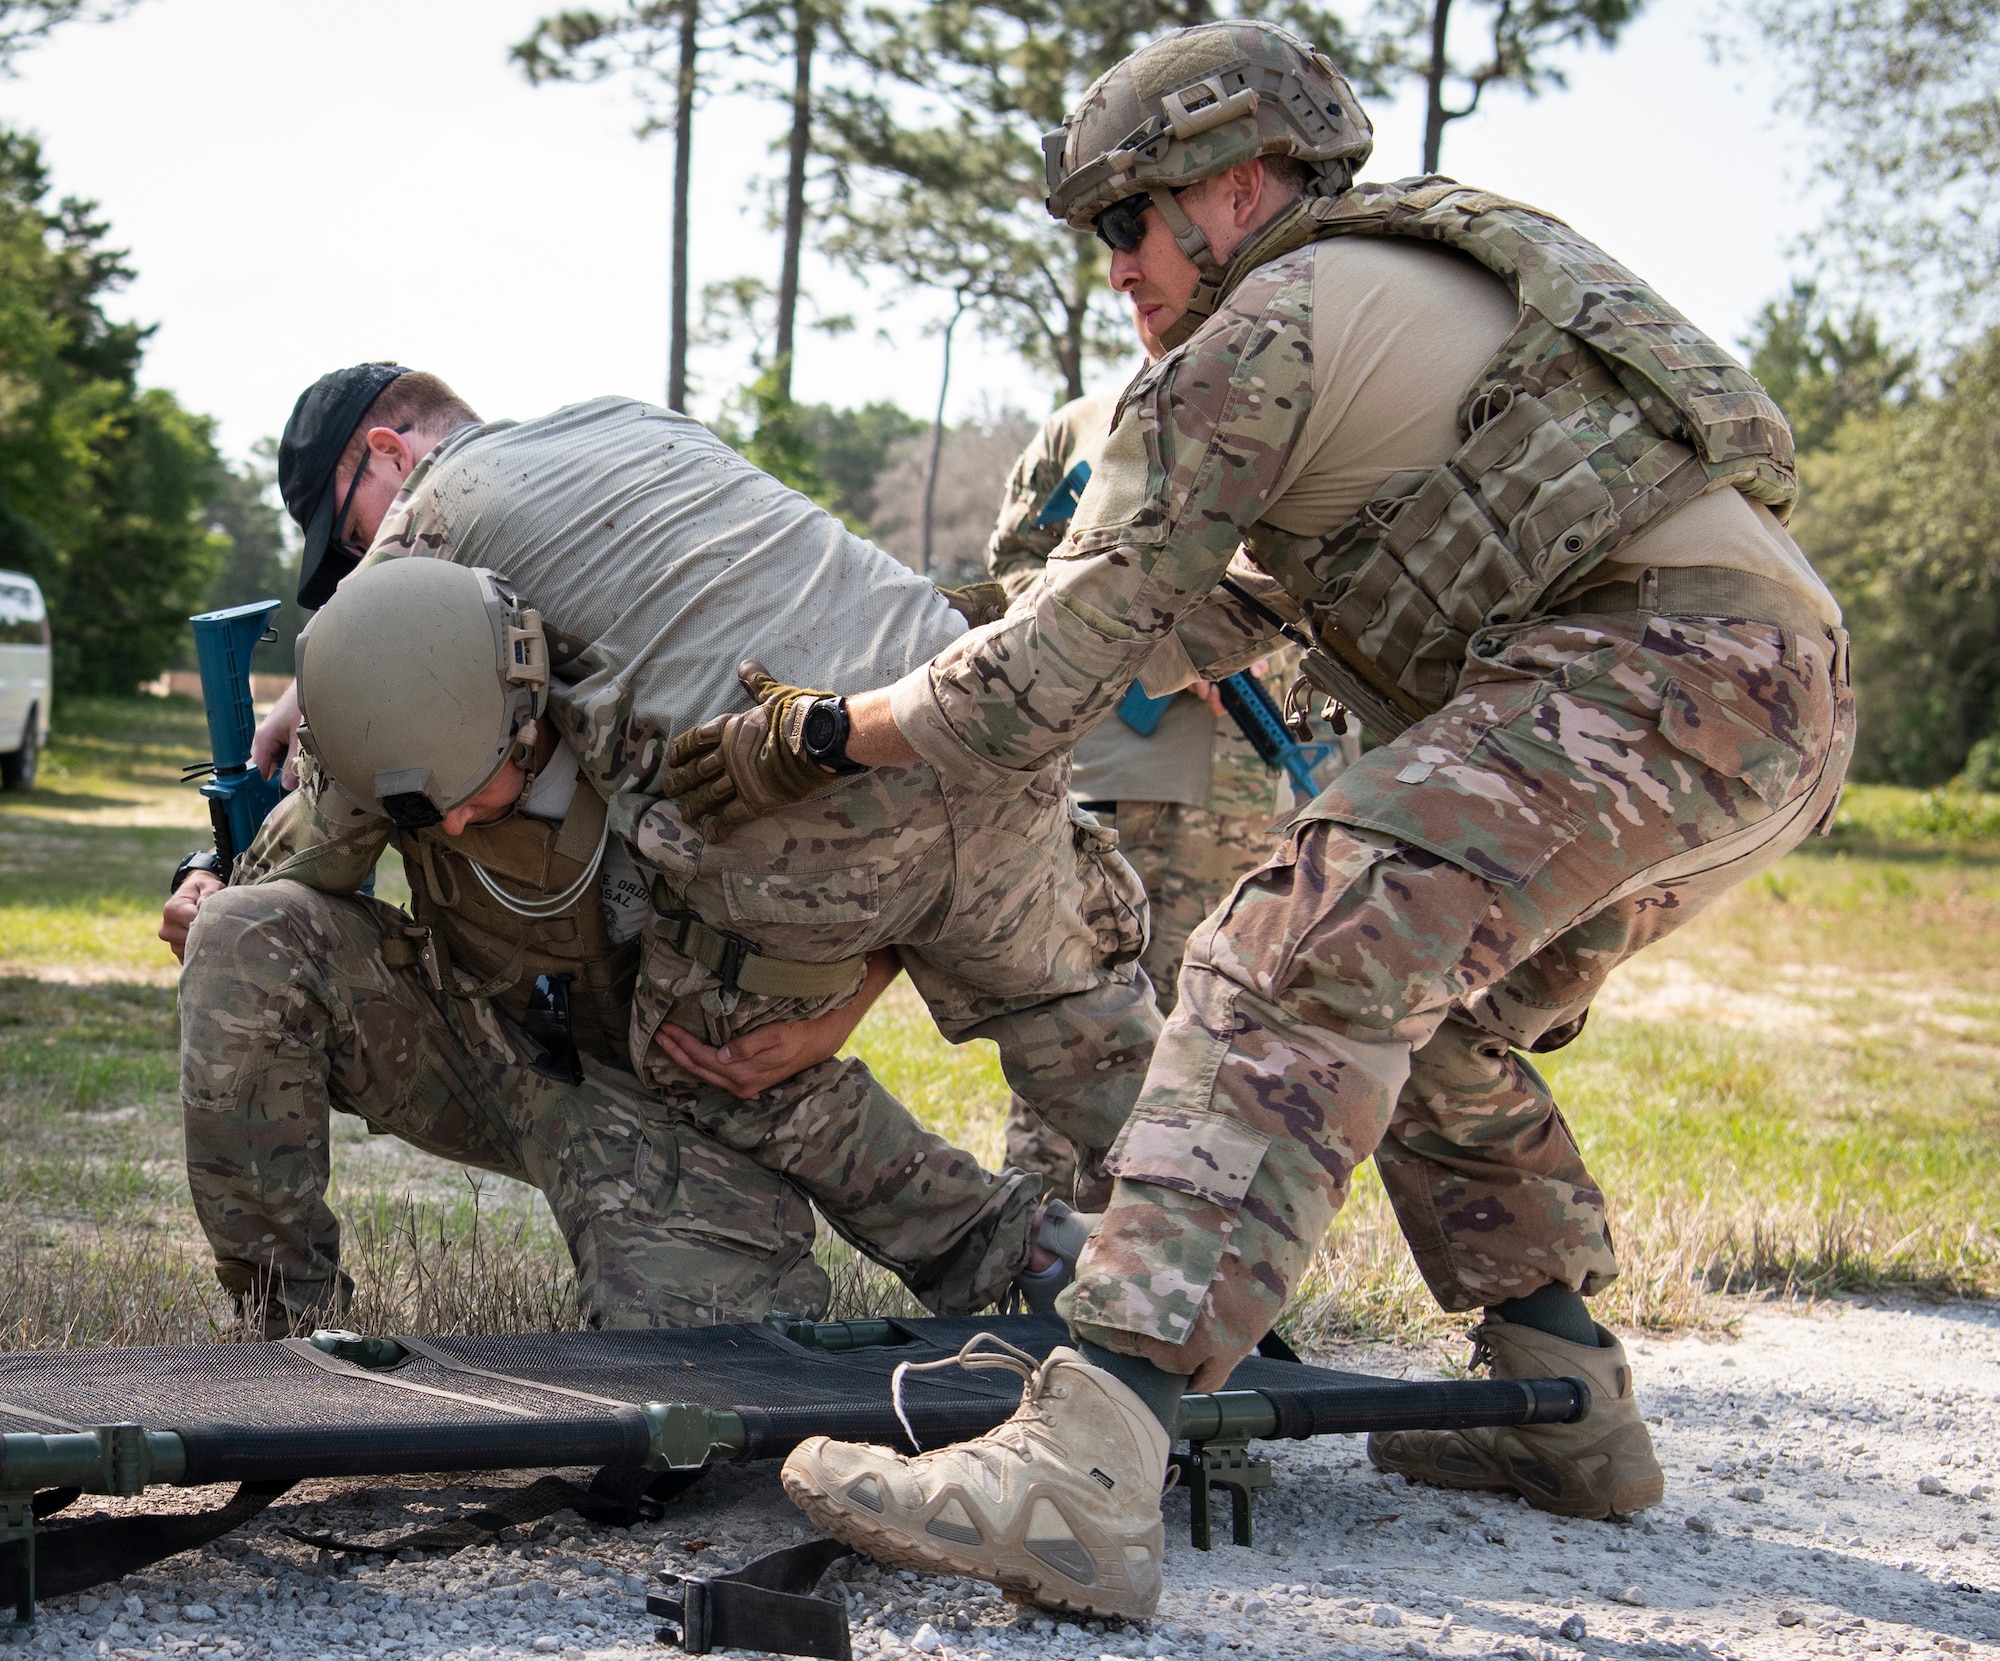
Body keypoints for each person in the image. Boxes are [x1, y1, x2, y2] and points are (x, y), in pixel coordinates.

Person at [663, 22, 1856, 1617]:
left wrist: (815, 734)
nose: (1114, 274)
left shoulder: (1257, 334)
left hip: (1649, 663)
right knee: (1432, 1005)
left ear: (1229, 187)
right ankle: (1564, 1399)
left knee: (1292, 943)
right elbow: (1179, 619)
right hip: (1779, 694)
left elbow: (1036, 693)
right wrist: (969, 630)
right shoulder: (1386, 299)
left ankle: (1076, 1472)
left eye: (1122, 224)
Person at [231, 364, 1168, 1320]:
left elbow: (345, 787)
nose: (362, 562)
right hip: (963, 709)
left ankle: (1013, 1257)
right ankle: (1212, 1277)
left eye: (352, 533)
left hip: (797, 805)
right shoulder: (623, 420)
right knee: (1087, 1033)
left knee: (707, 1059)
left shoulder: (432, 513)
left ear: (390, 452)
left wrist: (224, 871)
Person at [985, 324, 1349, 1201]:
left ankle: (1154, 1232)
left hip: (1245, 781)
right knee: (1083, 1002)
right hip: (1120, 767)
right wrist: (1158, 650)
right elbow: (1014, 578)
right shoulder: (1084, 427)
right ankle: (1041, 1229)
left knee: (1208, 1013)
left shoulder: (1290, 419)